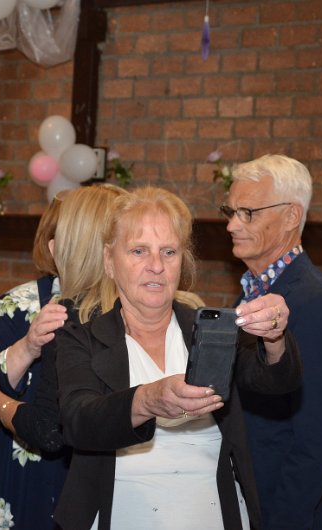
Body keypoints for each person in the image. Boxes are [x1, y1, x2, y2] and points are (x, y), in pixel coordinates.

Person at [54, 186, 302, 530]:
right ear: (110, 261)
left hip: (214, 515)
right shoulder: (82, 338)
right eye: (139, 251)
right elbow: (77, 421)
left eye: (168, 252)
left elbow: (276, 382)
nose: (156, 266)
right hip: (121, 514)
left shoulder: (209, 329)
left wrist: (274, 337)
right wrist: (147, 400)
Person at [0, 184, 128, 530]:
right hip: (20, 471)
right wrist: (27, 347)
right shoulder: (20, 304)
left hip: (92, 469)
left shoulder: (129, 311)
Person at [223, 154, 322, 530]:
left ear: (291, 216)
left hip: (281, 514)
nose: (232, 225)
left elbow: (316, 441)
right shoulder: (252, 294)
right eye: (230, 212)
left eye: (248, 213)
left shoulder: (315, 303)